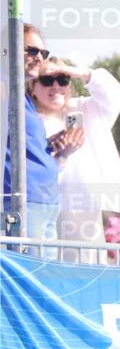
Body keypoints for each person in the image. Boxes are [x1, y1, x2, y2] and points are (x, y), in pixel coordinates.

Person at [28, 57, 120, 263]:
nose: (56, 86)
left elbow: (115, 93)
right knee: (44, 271)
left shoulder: (84, 109)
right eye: (47, 80)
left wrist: (73, 70)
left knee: (86, 272)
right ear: (32, 86)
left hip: (83, 209)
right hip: (41, 207)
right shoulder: (25, 118)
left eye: (63, 79)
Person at [4, 24, 83, 257]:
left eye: (44, 53)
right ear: (7, 49)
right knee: (29, 281)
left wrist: (50, 145)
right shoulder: (4, 88)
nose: (39, 58)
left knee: (42, 276)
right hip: (21, 202)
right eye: (32, 51)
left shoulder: (22, 97)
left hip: (44, 200)